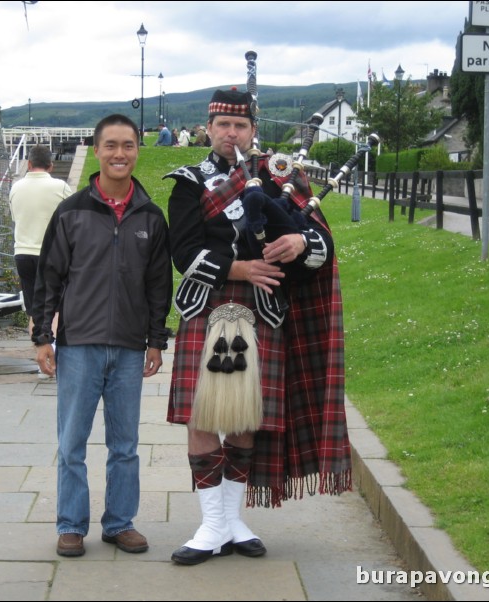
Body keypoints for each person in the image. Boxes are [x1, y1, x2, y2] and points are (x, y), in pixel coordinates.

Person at [164, 88, 351, 565]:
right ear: (209, 128)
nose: (231, 134)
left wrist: (296, 241)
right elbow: (184, 253)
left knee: (247, 417)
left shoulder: (280, 177)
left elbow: (322, 245)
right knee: (204, 415)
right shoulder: (190, 182)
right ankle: (211, 524)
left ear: (253, 131)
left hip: (264, 310)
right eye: (222, 125)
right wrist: (239, 269)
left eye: (240, 126)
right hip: (208, 306)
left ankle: (231, 520)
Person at [32, 114, 173, 558]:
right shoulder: (71, 211)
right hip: (79, 346)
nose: (119, 154)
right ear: (97, 150)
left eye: (128, 146)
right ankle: (71, 525)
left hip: (130, 348)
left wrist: (156, 340)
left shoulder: (151, 216)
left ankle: (119, 523)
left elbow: (159, 285)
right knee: (72, 443)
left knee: (125, 445)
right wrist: (42, 337)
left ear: (137, 151)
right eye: (110, 145)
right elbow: (48, 278)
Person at [8, 143, 72, 368]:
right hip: (52, 254)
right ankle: (53, 358)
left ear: (29, 163)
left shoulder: (16, 187)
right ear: (51, 165)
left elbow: (15, 217)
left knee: (34, 309)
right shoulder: (60, 187)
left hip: (23, 253)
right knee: (53, 308)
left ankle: (41, 359)